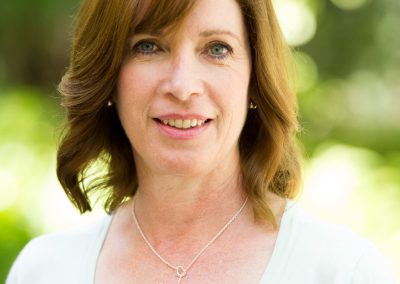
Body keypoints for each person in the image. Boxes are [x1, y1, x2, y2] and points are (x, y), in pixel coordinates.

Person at [6, 0, 397, 283]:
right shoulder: (43, 270)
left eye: (216, 49)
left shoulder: (344, 270)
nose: (182, 86)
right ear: (109, 74)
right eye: (148, 46)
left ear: (254, 78)